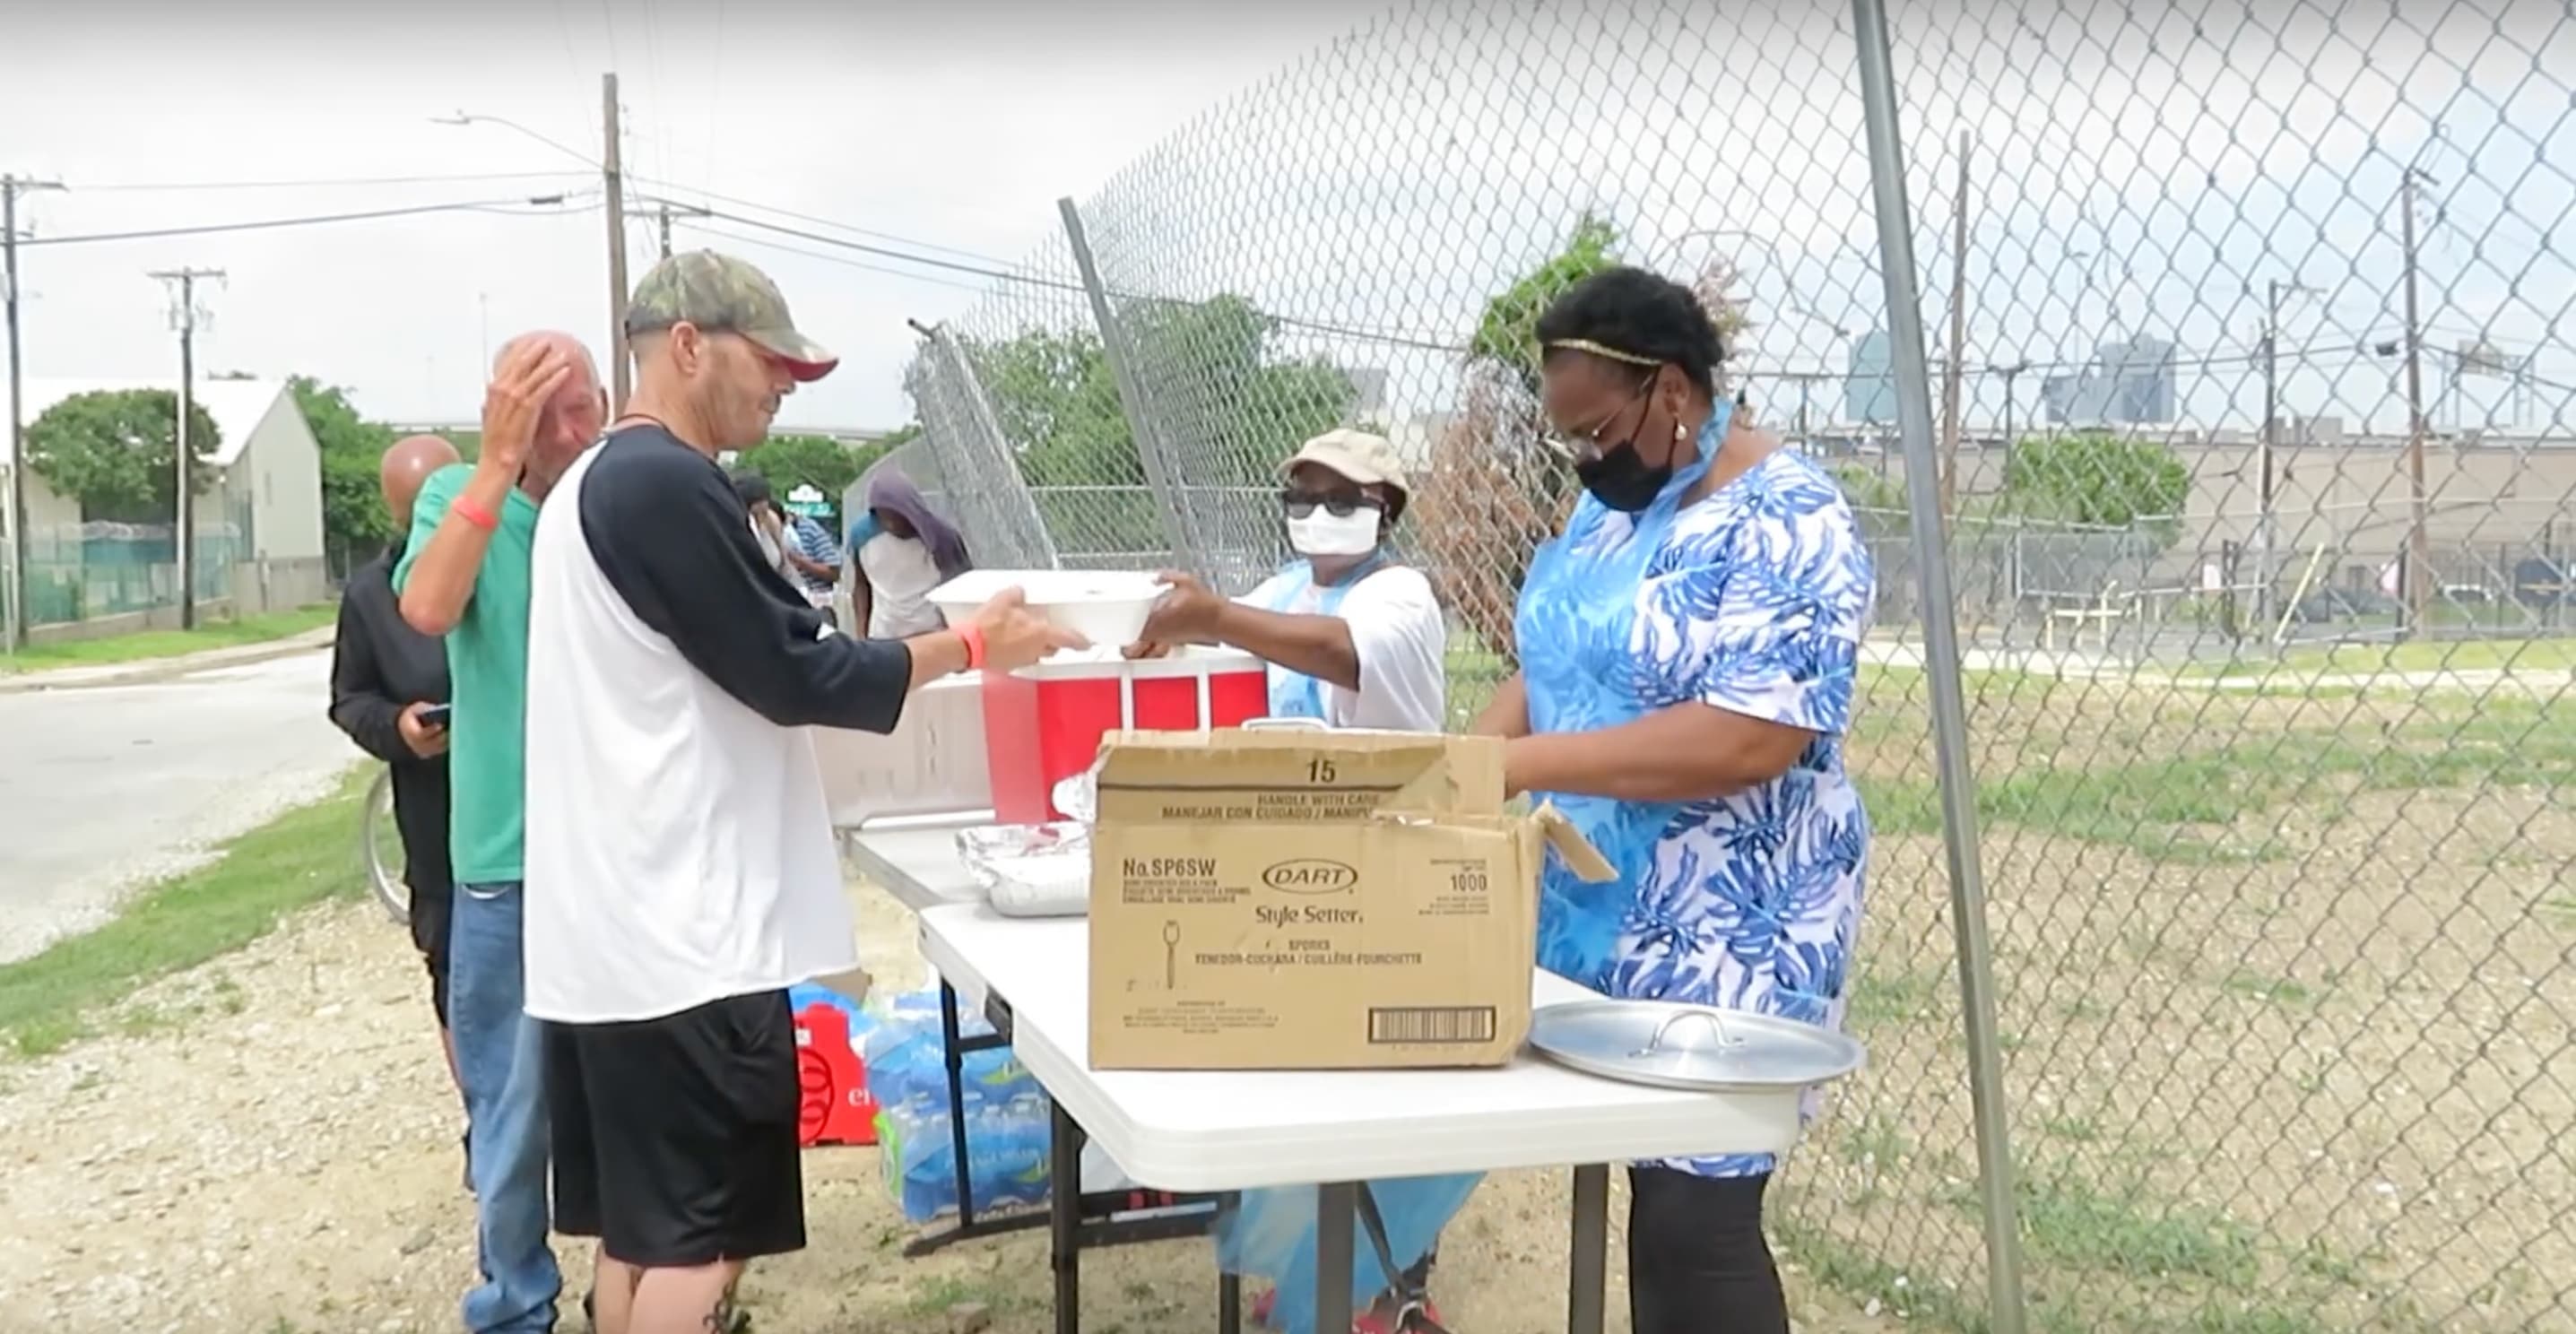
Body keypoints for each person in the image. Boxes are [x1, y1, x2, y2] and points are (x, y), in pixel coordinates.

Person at [521, 249, 1081, 1334]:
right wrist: (972, 645)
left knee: (641, 1233)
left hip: (609, 932)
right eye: (769, 363)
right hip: (688, 934)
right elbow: (799, 673)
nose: (783, 387)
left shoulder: (588, 483)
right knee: (701, 1240)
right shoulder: (664, 484)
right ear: (687, 345)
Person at [1473, 266, 1874, 1334]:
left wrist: (1526, 767)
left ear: (1672, 391)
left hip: (1733, 907)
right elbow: (1555, 651)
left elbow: (1752, 732)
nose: (1585, 460)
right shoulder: (1616, 512)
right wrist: (1465, 756)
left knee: (1697, 1212)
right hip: (1602, 898)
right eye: (1569, 440)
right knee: (1651, 1197)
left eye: (1596, 430)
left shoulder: (1791, 518)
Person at [398, 332, 607, 1334]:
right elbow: (428, 607)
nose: (575, 431)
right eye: (550, 412)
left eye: (587, 405)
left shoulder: (612, 498)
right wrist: (490, 463)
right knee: (513, 1110)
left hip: (615, 857)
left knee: (630, 1095)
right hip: (507, 866)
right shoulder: (463, 504)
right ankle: (517, 1301)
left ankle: (641, 1287)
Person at [327, 433, 467, 1182]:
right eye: (419, 512)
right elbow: (349, 700)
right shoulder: (370, 596)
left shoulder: (510, 563)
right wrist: (400, 731)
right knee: (454, 980)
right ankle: (488, 1124)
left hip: (531, 825)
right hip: (436, 829)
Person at [1128, 428, 1447, 733]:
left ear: (1386, 516)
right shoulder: (1285, 589)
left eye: (1342, 501)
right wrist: (1177, 629)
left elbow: (1339, 650)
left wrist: (1212, 618)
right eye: (1302, 499)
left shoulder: (1402, 591)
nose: (1318, 514)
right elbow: (1235, 630)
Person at [846, 469, 969, 638]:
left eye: (899, 517)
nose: (892, 525)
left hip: (932, 635)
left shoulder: (940, 536)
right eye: (885, 517)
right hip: (884, 637)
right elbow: (861, 585)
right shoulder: (861, 536)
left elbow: (961, 587)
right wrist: (861, 638)